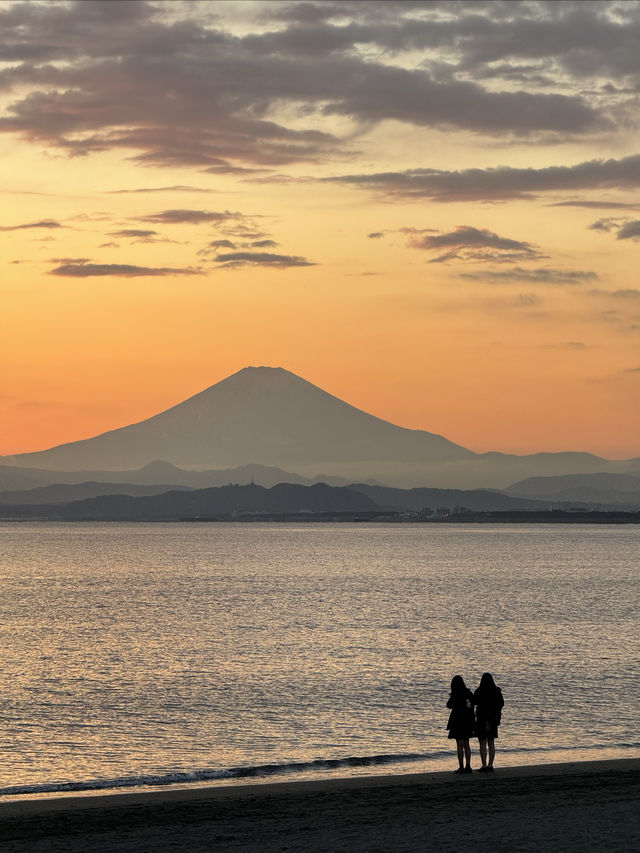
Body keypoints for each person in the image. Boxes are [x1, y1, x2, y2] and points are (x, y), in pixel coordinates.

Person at [473, 672, 504, 772]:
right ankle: (491, 764)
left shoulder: (479, 690)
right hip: (493, 719)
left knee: (482, 742)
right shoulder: (496, 691)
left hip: (482, 719)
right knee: (491, 742)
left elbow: (474, 702)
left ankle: (484, 764)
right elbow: (502, 704)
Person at [446, 675, 475, 773]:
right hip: (468, 722)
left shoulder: (455, 694)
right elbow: (472, 705)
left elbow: (448, 705)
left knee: (459, 745)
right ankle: (468, 766)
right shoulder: (469, 693)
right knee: (466, 744)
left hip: (457, 722)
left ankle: (461, 766)